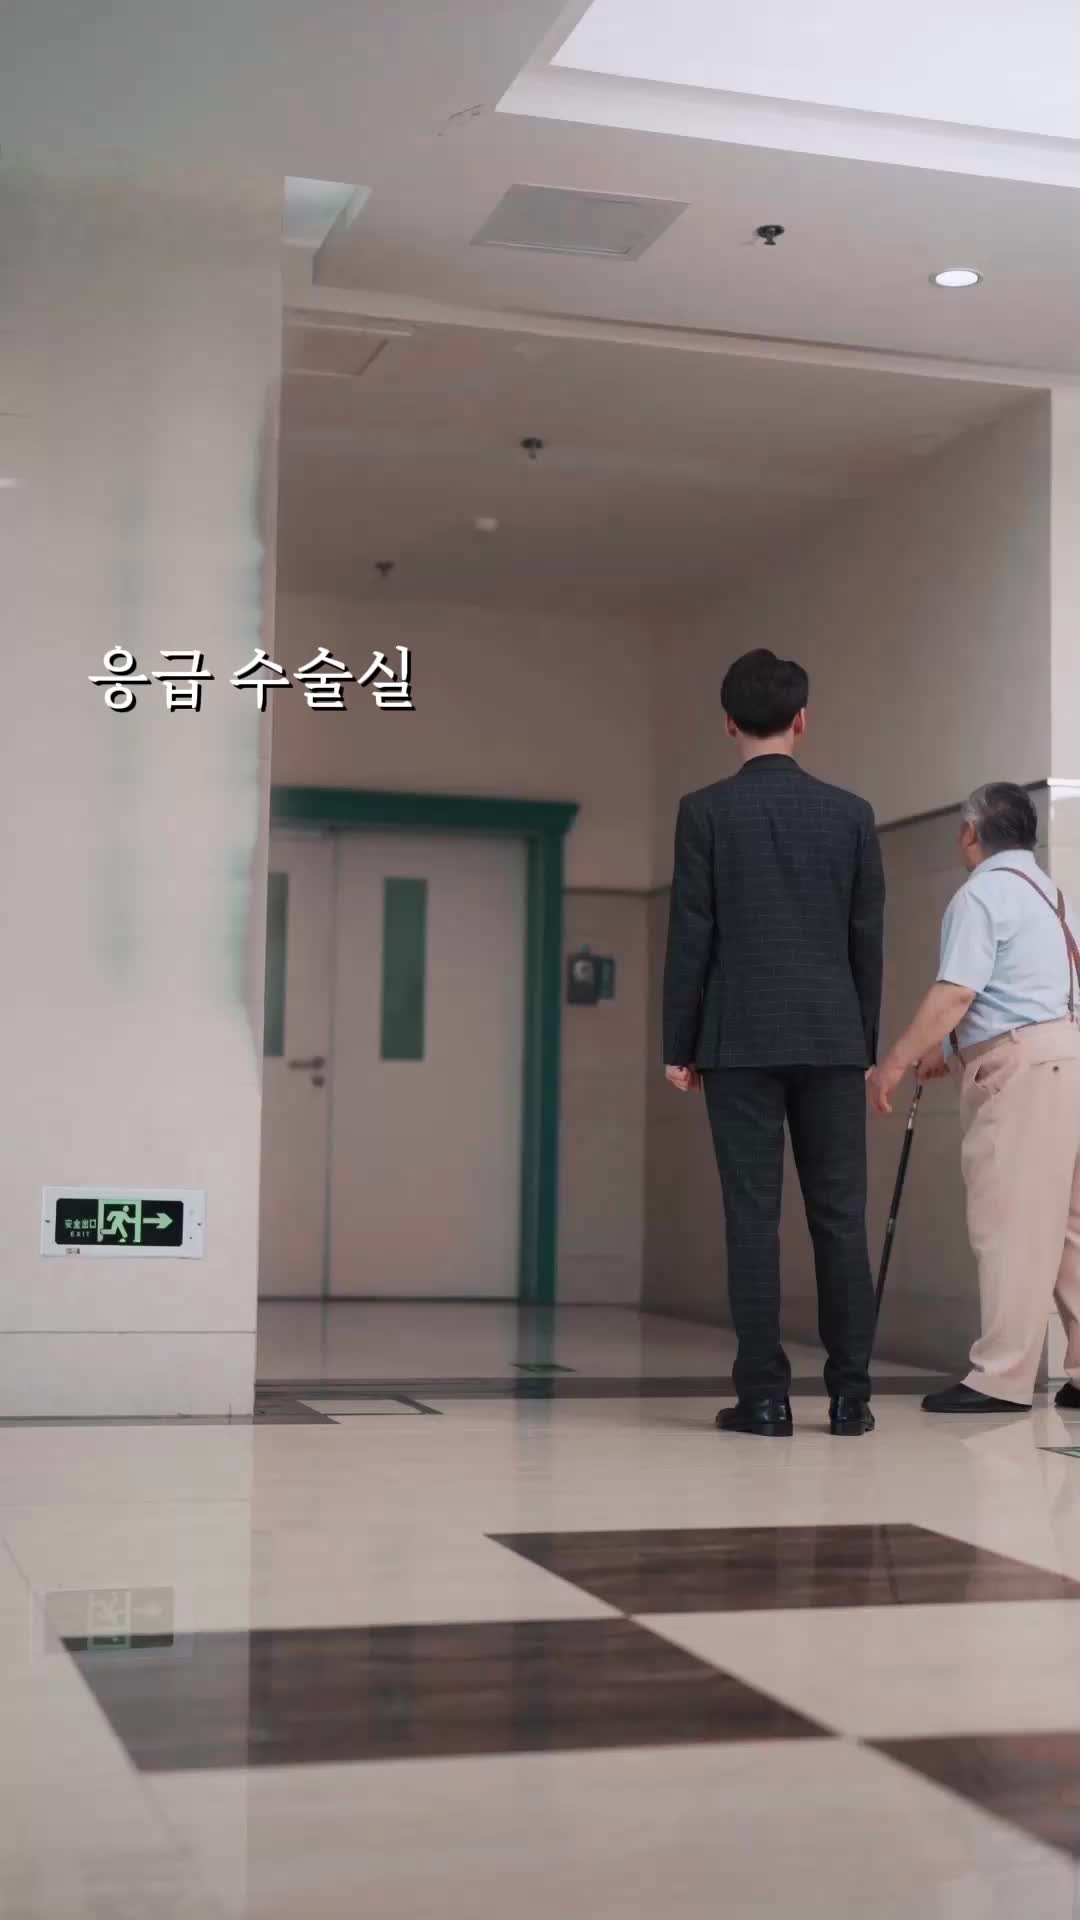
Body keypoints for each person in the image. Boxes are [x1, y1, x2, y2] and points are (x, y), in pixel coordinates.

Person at [663, 648, 885, 1439]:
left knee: (752, 1218)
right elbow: (867, 937)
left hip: (739, 1039)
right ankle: (852, 1399)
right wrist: (862, 1040)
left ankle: (763, 1398)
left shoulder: (704, 811)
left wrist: (679, 1043)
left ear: (728, 723)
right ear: (801, 719)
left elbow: (692, 932)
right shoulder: (851, 814)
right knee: (841, 1217)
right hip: (832, 1037)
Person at [868, 782, 1080, 1415]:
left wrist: (894, 1062)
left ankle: (1001, 1378)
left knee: (1012, 1225)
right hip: (1068, 1061)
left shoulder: (982, 894)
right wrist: (951, 1050)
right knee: (1072, 1230)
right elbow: (1024, 994)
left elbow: (957, 992)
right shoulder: (1053, 896)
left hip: (1025, 1076)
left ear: (969, 834)